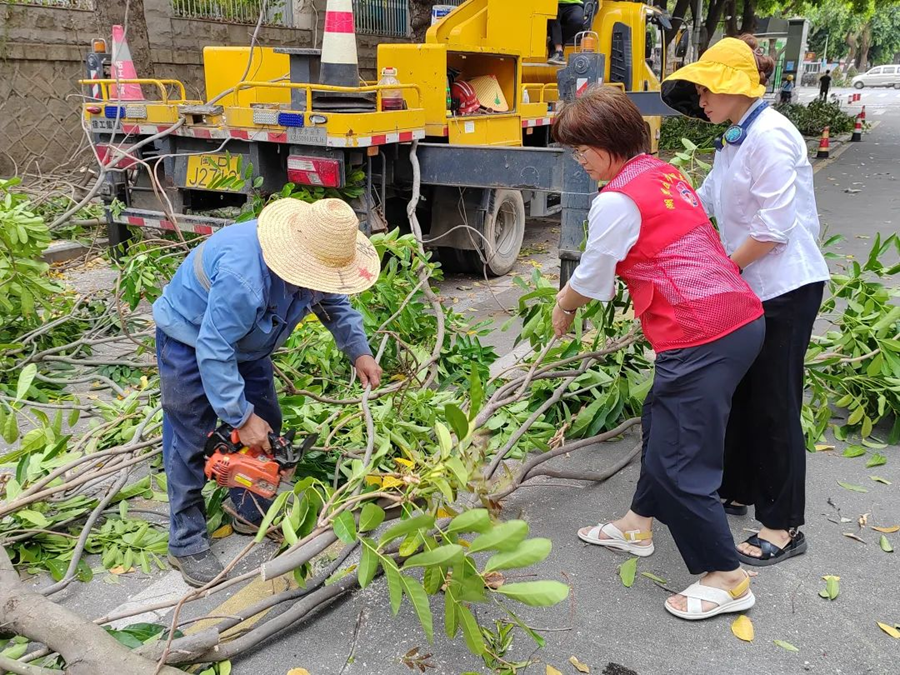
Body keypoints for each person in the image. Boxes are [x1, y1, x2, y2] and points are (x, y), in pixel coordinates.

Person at [551, 86, 766, 620]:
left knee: (680, 460)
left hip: (703, 335)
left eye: (581, 150)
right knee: (661, 422)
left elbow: (595, 272)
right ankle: (636, 524)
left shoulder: (616, 199)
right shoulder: (661, 171)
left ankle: (728, 576)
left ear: (606, 143)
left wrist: (565, 305)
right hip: (735, 319)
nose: (579, 161)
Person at [662, 36, 830, 567]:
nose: (701, 99)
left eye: (707, 88)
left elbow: (775, 229)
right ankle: (735, 490)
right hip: (750, 285)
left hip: (785, 285)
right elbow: (707, 199)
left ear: (734, 86)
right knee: (739, 392)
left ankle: (783, 525)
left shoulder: (772, 137)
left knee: (775, 403)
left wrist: (720, 271)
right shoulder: (735, 137)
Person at [153, 198, 382, 587]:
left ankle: (248, 508)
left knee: (268, 426)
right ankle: (186, 540)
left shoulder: (317, 264)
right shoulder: (245, 279)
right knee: (191, 438)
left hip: (249, 344)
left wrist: (358, 351)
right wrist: (239, 416)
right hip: (191, 338)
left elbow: (335, 306)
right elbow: (214, 347)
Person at [548, 0, 585, 65]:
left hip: (574, 3)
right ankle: (558, 51)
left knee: (577, 21)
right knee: (552, 12)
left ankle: (554, 43)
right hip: (551, 3)